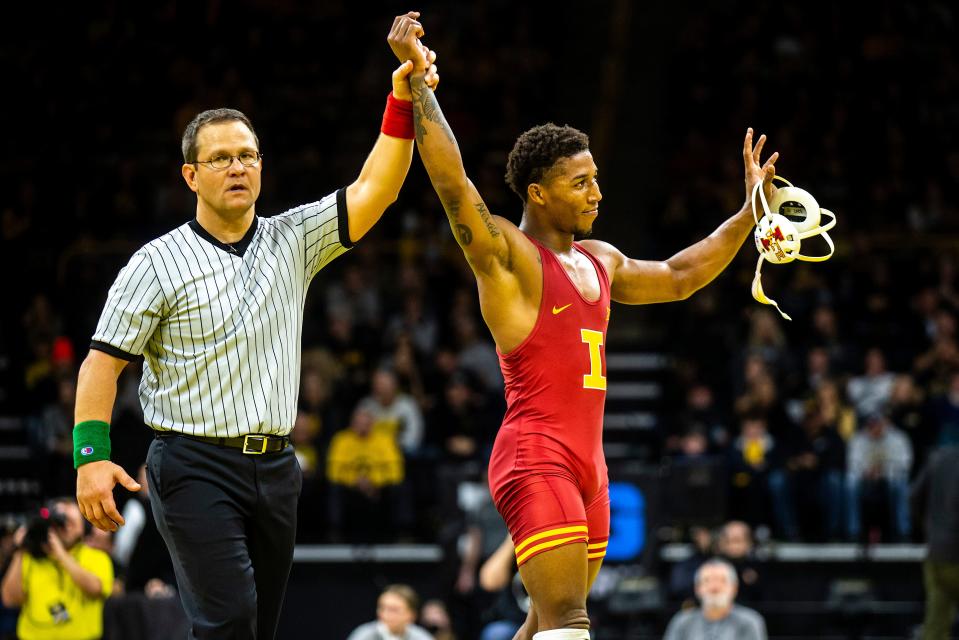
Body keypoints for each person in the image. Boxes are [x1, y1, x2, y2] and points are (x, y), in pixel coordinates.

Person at [389, 22, 779, 639]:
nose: (598, 190)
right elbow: (452, 185)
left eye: (596, 176)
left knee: (543, 624)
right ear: (539, 193)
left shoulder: (602, 257)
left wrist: (745, 213)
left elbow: (680, 275)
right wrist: (417, 87)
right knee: (569, 623)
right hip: (535, 456)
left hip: (590, 466)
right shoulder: (510, 258)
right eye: (581, 182)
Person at [71, 14, 440, 639]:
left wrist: (401, 96)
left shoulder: (292, 239)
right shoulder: (154, 262)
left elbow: (377, 187)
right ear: (191, 175)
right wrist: (90, 458)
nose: (237, 167)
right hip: (191, 462)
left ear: (262, 165)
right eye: (220, 159)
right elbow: (101, 364)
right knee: (230, 618)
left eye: (247, 156)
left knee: (255, 628)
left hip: (276, 466)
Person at [1, 498, 114, 640]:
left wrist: (60, 554)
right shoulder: (30, 557)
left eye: (71, 522)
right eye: (60, 521)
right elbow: (9, 600)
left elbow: (95, 589)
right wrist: (20, 550)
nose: (64, 526)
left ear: (83, 529)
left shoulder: (96, 557)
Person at [911, 445, 959, 640]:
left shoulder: (939, 457)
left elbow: (913, 497)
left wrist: (931, 529)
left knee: (935, 626)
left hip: (937, 553)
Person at [846, 410, 913, 542]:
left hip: (891, 478)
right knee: (851, 485)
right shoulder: (858, 439)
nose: (875, 428)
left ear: (885, 424)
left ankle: (903, 531)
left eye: (878, 424)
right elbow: (852, 465)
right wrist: (867, 472)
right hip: (865, 480)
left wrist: (884, 471)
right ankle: (853, 531)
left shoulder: (898, 438)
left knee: (900, 485)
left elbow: (905, 464)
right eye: (872, 425)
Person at [663, 559, 767, 640]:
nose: (714, 587)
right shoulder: (682, 622)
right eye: (707, 580)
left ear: (734, 588)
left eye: (722, 580)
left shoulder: (750, 621)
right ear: (697, 588)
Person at [346, 584, 433, 640]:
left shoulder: (421, 637)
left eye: (393, 609)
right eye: (382, 608)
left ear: (411, 615)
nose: (385, 614)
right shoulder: (363, 636)